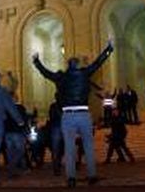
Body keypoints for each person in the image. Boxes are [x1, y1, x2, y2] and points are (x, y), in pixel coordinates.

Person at [32, 41, 113, 188]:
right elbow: (98, 62)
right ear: (77, 65)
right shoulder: (84, 73)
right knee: (88, 145)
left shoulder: (61, 77)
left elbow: (46, 73)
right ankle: (92, 175)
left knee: (69, 147)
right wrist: (109, 49)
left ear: (68, 65)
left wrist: (36, 61)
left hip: (68, 115)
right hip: (83, 114)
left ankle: (71, 178)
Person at [48, 92, 64, 175]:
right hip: (64, 127)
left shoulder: (53, 106)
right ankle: (72, 165)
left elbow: (51, 117)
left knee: (55, 149)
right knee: (67, 146)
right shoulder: (65, 105)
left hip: (55, 127)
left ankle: (56, 168)